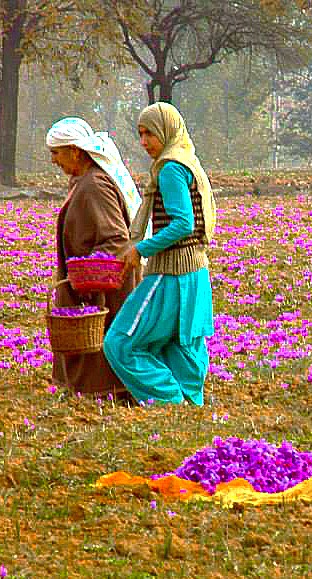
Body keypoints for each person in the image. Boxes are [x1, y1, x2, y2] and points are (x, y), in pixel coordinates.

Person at [104, 102, 216, 405]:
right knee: (181, 344)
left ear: (166, 132)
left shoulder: (169, 170)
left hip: (171, 272)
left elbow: (183, 223)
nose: (144, 142)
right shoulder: (188, 161)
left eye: (149, 134)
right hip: (195, 273)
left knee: (120, 343)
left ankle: (169, 400)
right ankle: (190, 404)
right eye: (140, 134)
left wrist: (140, 248)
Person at [46, 117, 142, 400]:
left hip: (101, 286)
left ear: (75, 151)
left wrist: (87, 275)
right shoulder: (84, 181)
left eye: (56, 152)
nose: (53, 160)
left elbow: (116, 239)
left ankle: (109, 393)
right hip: (89, 282)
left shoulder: (95, 185)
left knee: (102, 343)